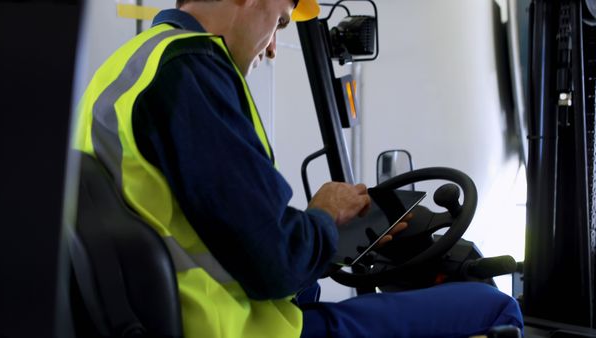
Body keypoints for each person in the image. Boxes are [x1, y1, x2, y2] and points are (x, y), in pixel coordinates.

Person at [74, 0, 524, 336]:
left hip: (193, 311)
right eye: (280, 21)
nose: (272, 46)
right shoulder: (190, 69)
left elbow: (229, 237)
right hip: (235, 328)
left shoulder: (128, 69)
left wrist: (324, 234)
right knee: (493, 306)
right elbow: (275, 263)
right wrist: (324, 219)